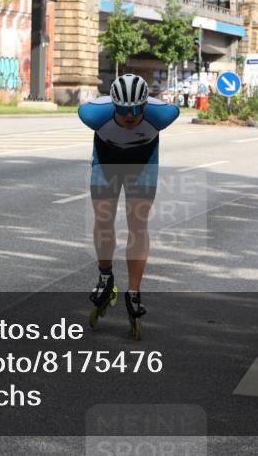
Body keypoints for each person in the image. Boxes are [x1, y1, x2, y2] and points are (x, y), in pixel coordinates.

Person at [78, 73, 179, 340]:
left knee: (138, 222)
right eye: (124, 111)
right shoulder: (92, 115)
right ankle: (105, 277)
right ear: (113, 106)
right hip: (106, 156)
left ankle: (133, 292)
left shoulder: (163, 115)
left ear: (146, 105)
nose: (131, 116)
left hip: (143, 158)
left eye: (137, 110)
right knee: (103, 216)